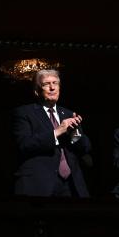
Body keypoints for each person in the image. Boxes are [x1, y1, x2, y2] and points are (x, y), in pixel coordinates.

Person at [12, 69, 91, 198]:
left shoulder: (69, 114)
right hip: (39, 183)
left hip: (71, 184)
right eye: (46, 84)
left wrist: (74, 133)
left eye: (55, 83)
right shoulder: (24, 113)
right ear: (37, 91)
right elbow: (24, 145)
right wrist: (58, 131)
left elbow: (86, 148)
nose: (52, 87)